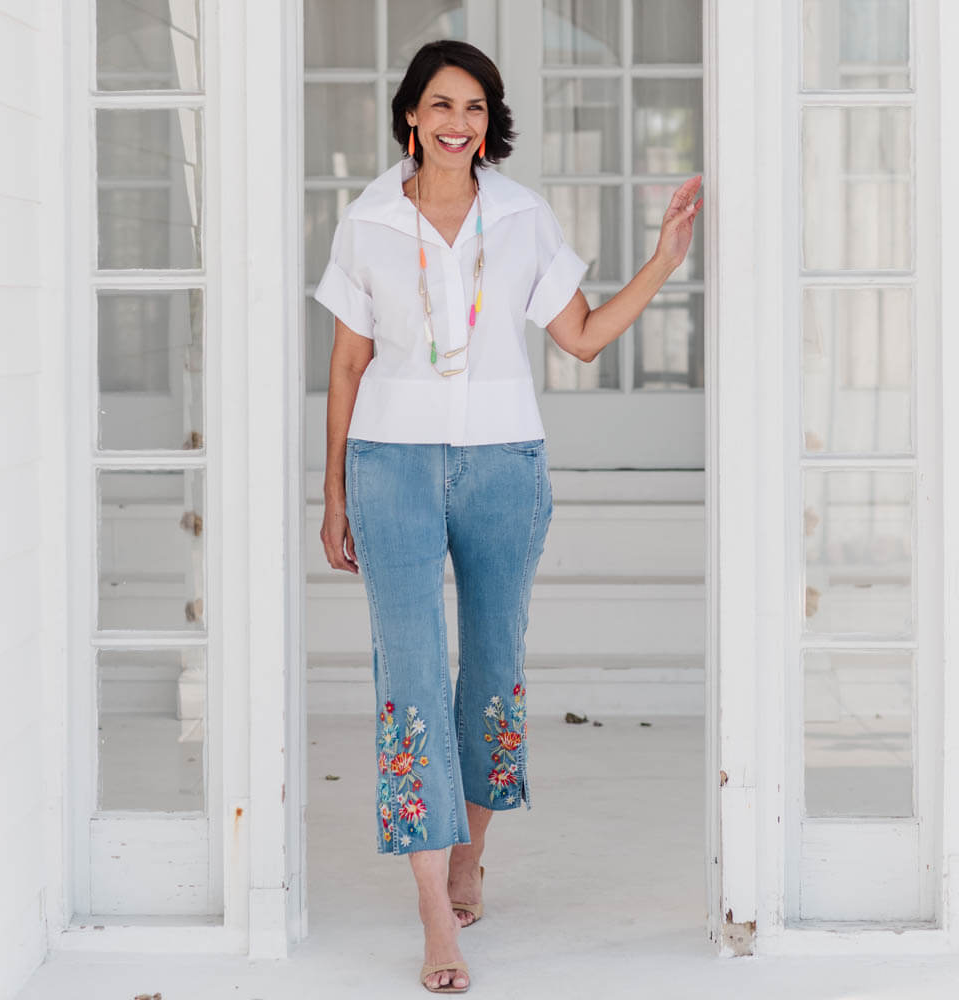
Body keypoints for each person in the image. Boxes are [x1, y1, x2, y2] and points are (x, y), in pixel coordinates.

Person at [316, 39, 701, 995]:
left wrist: (663, 261)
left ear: (490, 124)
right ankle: (432, 911)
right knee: (409, 677)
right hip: (390, 464)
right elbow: (348, 363)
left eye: (476, 108)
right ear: (412, 116)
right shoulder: (368, 221)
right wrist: (333, 491)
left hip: (503, 467)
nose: (459, 123)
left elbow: (581, 339)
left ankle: (470, 853)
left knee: (493, 666)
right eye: (442, 105)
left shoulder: (523, 216)